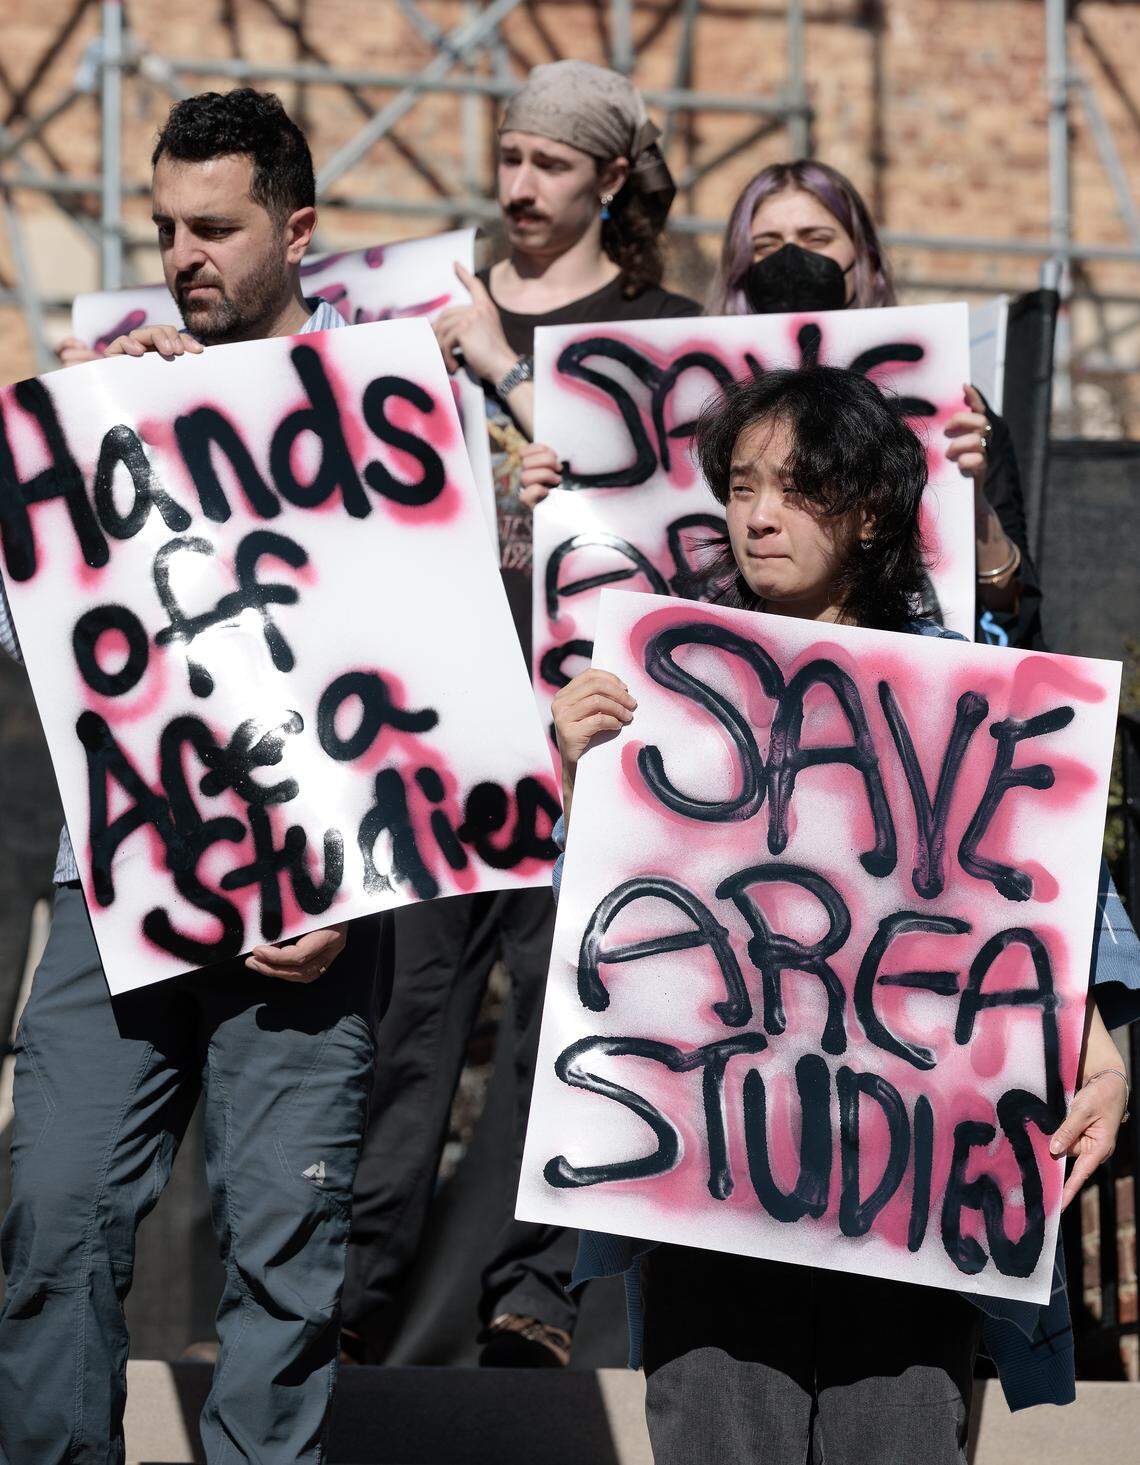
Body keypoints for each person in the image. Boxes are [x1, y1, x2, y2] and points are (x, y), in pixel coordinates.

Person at [549, 366, 1138, 1463]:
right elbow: (607, 939)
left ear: (870, 511)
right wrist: (581, 776)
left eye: (795, 486)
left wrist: (1105, 1064)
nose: (758, 514)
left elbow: (1049, 921)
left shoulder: (971, 695)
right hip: (717, 1181)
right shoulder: (665, 686)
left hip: (913, 1192)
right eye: (739, 484)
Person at [0, 89, 388, 1463]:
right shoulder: (116, 403)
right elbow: (39, 640)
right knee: (52, 1212)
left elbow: (435, 683)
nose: (182, 255)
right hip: (120, 894)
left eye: (214, 228)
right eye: (165, 227)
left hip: (311, 919)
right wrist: (113, 445)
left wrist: (344, 882)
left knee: (284, 1255)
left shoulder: (380, 415)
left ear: (299, 232)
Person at [340, 59, 700, 1369]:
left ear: (610, 177)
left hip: (589, 728)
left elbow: (676, 524)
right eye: (508, 156)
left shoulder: (659, 325)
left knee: (564, 1011)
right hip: (440, 727)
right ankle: (354, 1289)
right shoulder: (416, 304)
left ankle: (537, 1292)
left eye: (550, 163)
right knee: (404, 1019)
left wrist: (502, 369)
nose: (520, 185)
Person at [521, 158, 1042, 653]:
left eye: (816, 239)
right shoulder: (683, 402)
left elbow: (1010, 620)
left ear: (863, 259)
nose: (791, 259)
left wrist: (971, 509)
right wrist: (567, 488)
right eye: (766, 245)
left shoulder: (945, 406)